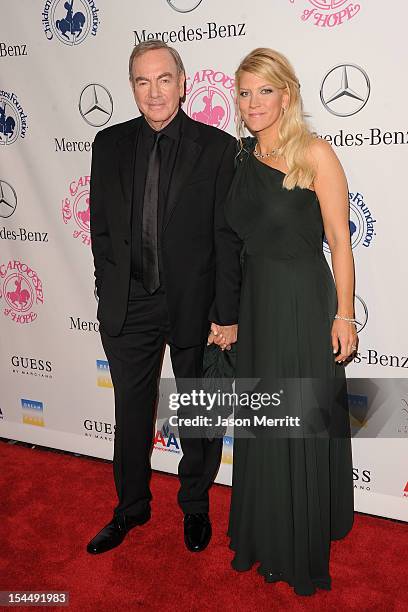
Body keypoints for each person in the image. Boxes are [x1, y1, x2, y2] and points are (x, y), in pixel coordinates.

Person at [87, 40, 242, 555]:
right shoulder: (107, 145)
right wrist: (107, 290)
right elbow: (102, 233)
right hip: (128, 304)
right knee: (131, 412)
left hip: (194, 304)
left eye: (163, 79)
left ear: (183, 81)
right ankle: (130, 508)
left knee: (198, 410)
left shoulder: (218, 149)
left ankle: (195, 507)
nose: (153, 92)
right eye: (141, 81)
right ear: (131, 86)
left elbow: (226, 239)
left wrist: (226, 313)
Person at [224, 48, 356, 596]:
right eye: (245, 92)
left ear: (287, 94)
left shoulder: (315, 154)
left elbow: (341, 242)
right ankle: (262, 532)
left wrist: (345, 315)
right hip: (255, 304)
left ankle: (297, 545)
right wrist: (226, 317)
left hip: (302, 300)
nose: (253, 103)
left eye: (265, 91)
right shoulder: (237, 158)